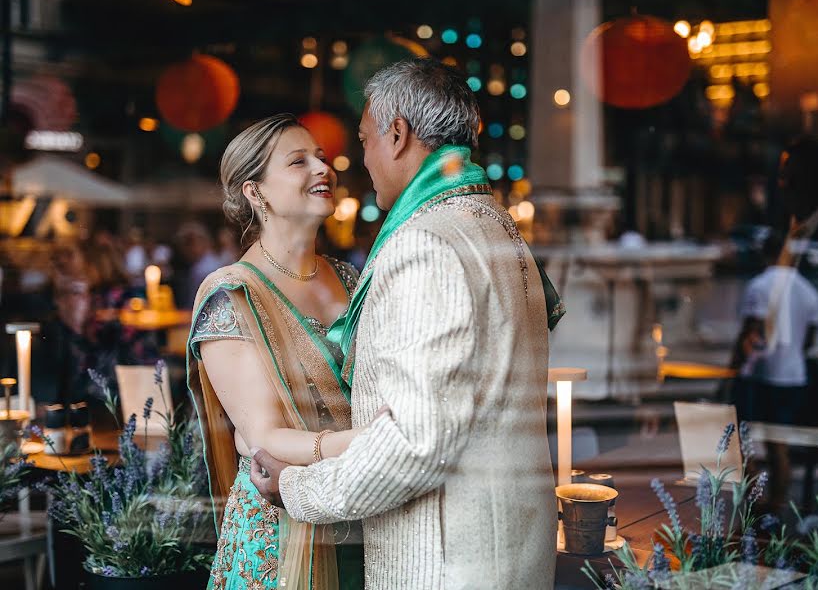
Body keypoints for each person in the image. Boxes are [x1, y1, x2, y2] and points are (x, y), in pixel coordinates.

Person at [250, 59, 565, 589]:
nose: (363, 159)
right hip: (510, 548)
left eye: (366, 139)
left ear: (398, 136)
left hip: (446, 563)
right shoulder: (496, 224)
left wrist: (299, 489)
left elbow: (414, 443)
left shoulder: (424, 243)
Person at [187, 114, 371, 590]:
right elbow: (264, 435)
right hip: (282, 523)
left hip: (359, 504)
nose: (322, 169)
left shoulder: (349, 278)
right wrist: (370, 442)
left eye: (323, 158)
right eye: (298, 161)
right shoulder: (233, 296)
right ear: (255, 192)